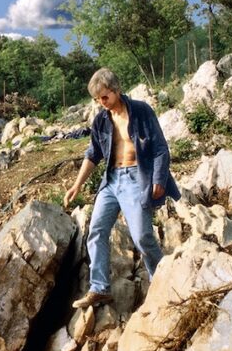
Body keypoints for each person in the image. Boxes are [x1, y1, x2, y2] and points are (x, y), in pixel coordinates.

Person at [63, 68, 180, 309]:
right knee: (96, 230)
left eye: (104, 97)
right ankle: (99, 288)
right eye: (97, 99)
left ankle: (161, 281)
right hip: (111, 180)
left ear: (116, 90)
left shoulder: (141, 111)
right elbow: (93, 154)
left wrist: (158, 179)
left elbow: (160, 148)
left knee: (142, 236)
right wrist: (76, 185)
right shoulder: (101, 120)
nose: (101, 103)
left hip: (137, 178)